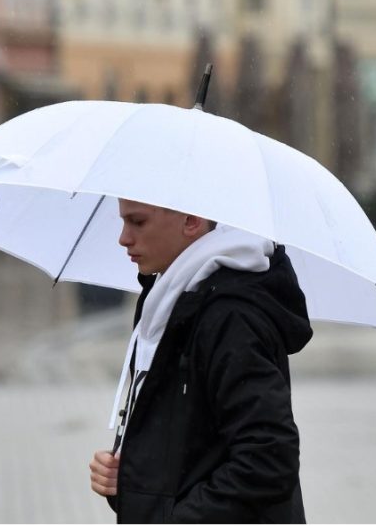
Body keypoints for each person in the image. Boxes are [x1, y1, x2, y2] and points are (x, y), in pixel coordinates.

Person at [89, 198, 312, 523]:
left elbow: (268, 459)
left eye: (137, 222)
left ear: (191, 220)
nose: (123, 237)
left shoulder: (230, 317)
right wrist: (128, 481)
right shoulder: (170, 301)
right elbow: (192, 451)